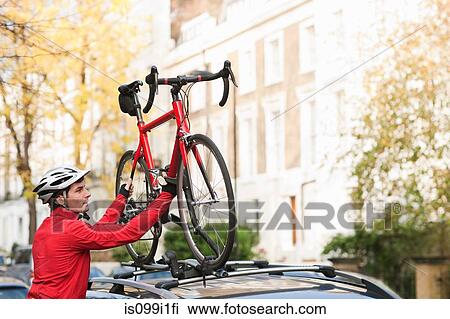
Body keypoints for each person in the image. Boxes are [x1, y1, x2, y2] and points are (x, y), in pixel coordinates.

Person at [27, 165, 176, 299]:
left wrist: (122, 197)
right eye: (79, 190)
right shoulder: (70, 230)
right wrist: (166, 196)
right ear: (60, 199)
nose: (87, 194)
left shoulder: (49, 227)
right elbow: (129, 232)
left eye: (85, 188)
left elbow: (100, 229)